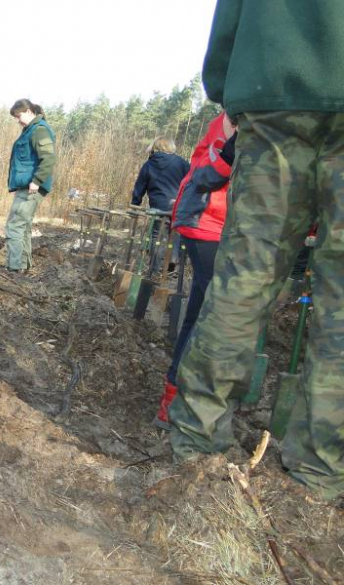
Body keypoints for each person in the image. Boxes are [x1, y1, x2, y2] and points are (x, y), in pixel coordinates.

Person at [169, 0, 344, 502]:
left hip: (273, 97)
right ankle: (321, 470)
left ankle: (196, 442)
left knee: (243, 280)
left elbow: (228, 25)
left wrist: (229, 90)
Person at [154, 112, 236, 429]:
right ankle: (183, 407)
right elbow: (214, 170)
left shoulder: (236, 111)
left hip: (205, 222)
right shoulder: (241, 114)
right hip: (211, 222)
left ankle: (172, 402)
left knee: (199, 313)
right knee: (210, 318)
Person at [5, 99, 57, 272]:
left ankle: (15, 268)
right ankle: (24, 266)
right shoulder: (30, 130)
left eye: (18, 116)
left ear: (28, 111)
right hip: (27, 186)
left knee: (15, 225)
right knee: (24, 226)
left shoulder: (39, 130)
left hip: (32, 187)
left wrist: (36, 181)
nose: (17, 120)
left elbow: (48, 158)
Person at [131, 138, 189, 270]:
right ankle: (173, 257)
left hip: (158, 205)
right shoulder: (182, 163)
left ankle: (155, 267)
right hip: (177, 204)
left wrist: (136, 202)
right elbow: (191, 181)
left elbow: (140, 186)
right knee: (175, 231)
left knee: (156, 235)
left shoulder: (149, 164)